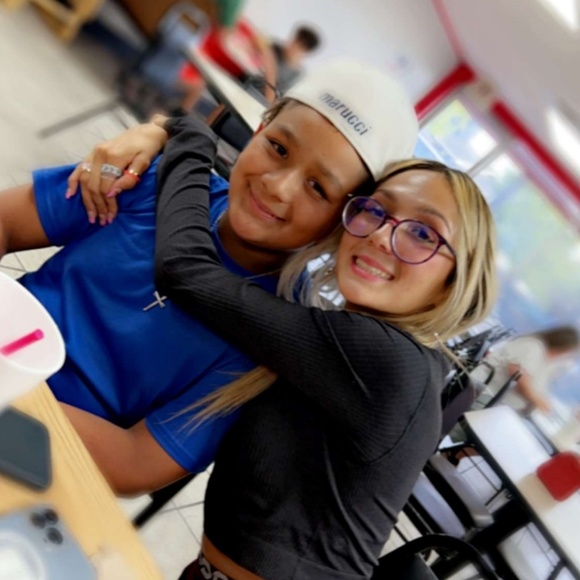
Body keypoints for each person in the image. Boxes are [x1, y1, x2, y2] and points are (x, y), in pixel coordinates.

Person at [0, 60, 417, 495]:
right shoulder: (155, 181)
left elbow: (135, 462)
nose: (279, 187)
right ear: (259, 130)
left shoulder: (274, 338)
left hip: (50, 458)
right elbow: (7, 219)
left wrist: (11, 388)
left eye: (318, 188)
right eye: (278, 148)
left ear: (343, 222)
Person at [149, 118, 497, 579]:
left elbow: (184, 271)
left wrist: (189, 135)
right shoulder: (357, 344)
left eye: (423, 234)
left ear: (452, 282)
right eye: (376, 210)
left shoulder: (388, 360)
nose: (380, 235)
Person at [471, 325, 580, 413]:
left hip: (497, 405)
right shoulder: (533, 347)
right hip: (484, 396)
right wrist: (538, 401)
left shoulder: (547, 362)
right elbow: (518, 377)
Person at [269, 24, 321, 94]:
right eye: (295, 41)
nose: (293, 46)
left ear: (305, 52)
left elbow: (278, 95)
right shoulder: (273, 47)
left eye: (299, 46)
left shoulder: (296, 74)